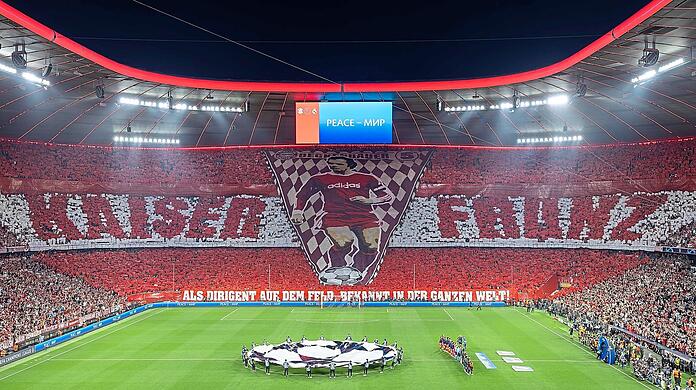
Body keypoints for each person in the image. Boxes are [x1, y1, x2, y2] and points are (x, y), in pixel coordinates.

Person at [291, 156, 394, 283]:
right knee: (345, 241)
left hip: (364, 215)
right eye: (331, 163)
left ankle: (356, 272)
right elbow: (302, 195)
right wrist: (297, 211)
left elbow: (387, 196)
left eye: (338, 163)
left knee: (371, 246)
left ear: (349, 164)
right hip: (334, 215)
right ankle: (337, 268)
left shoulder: (367, 178)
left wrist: (370, 200)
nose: (333, 166)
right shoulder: (319, 179)